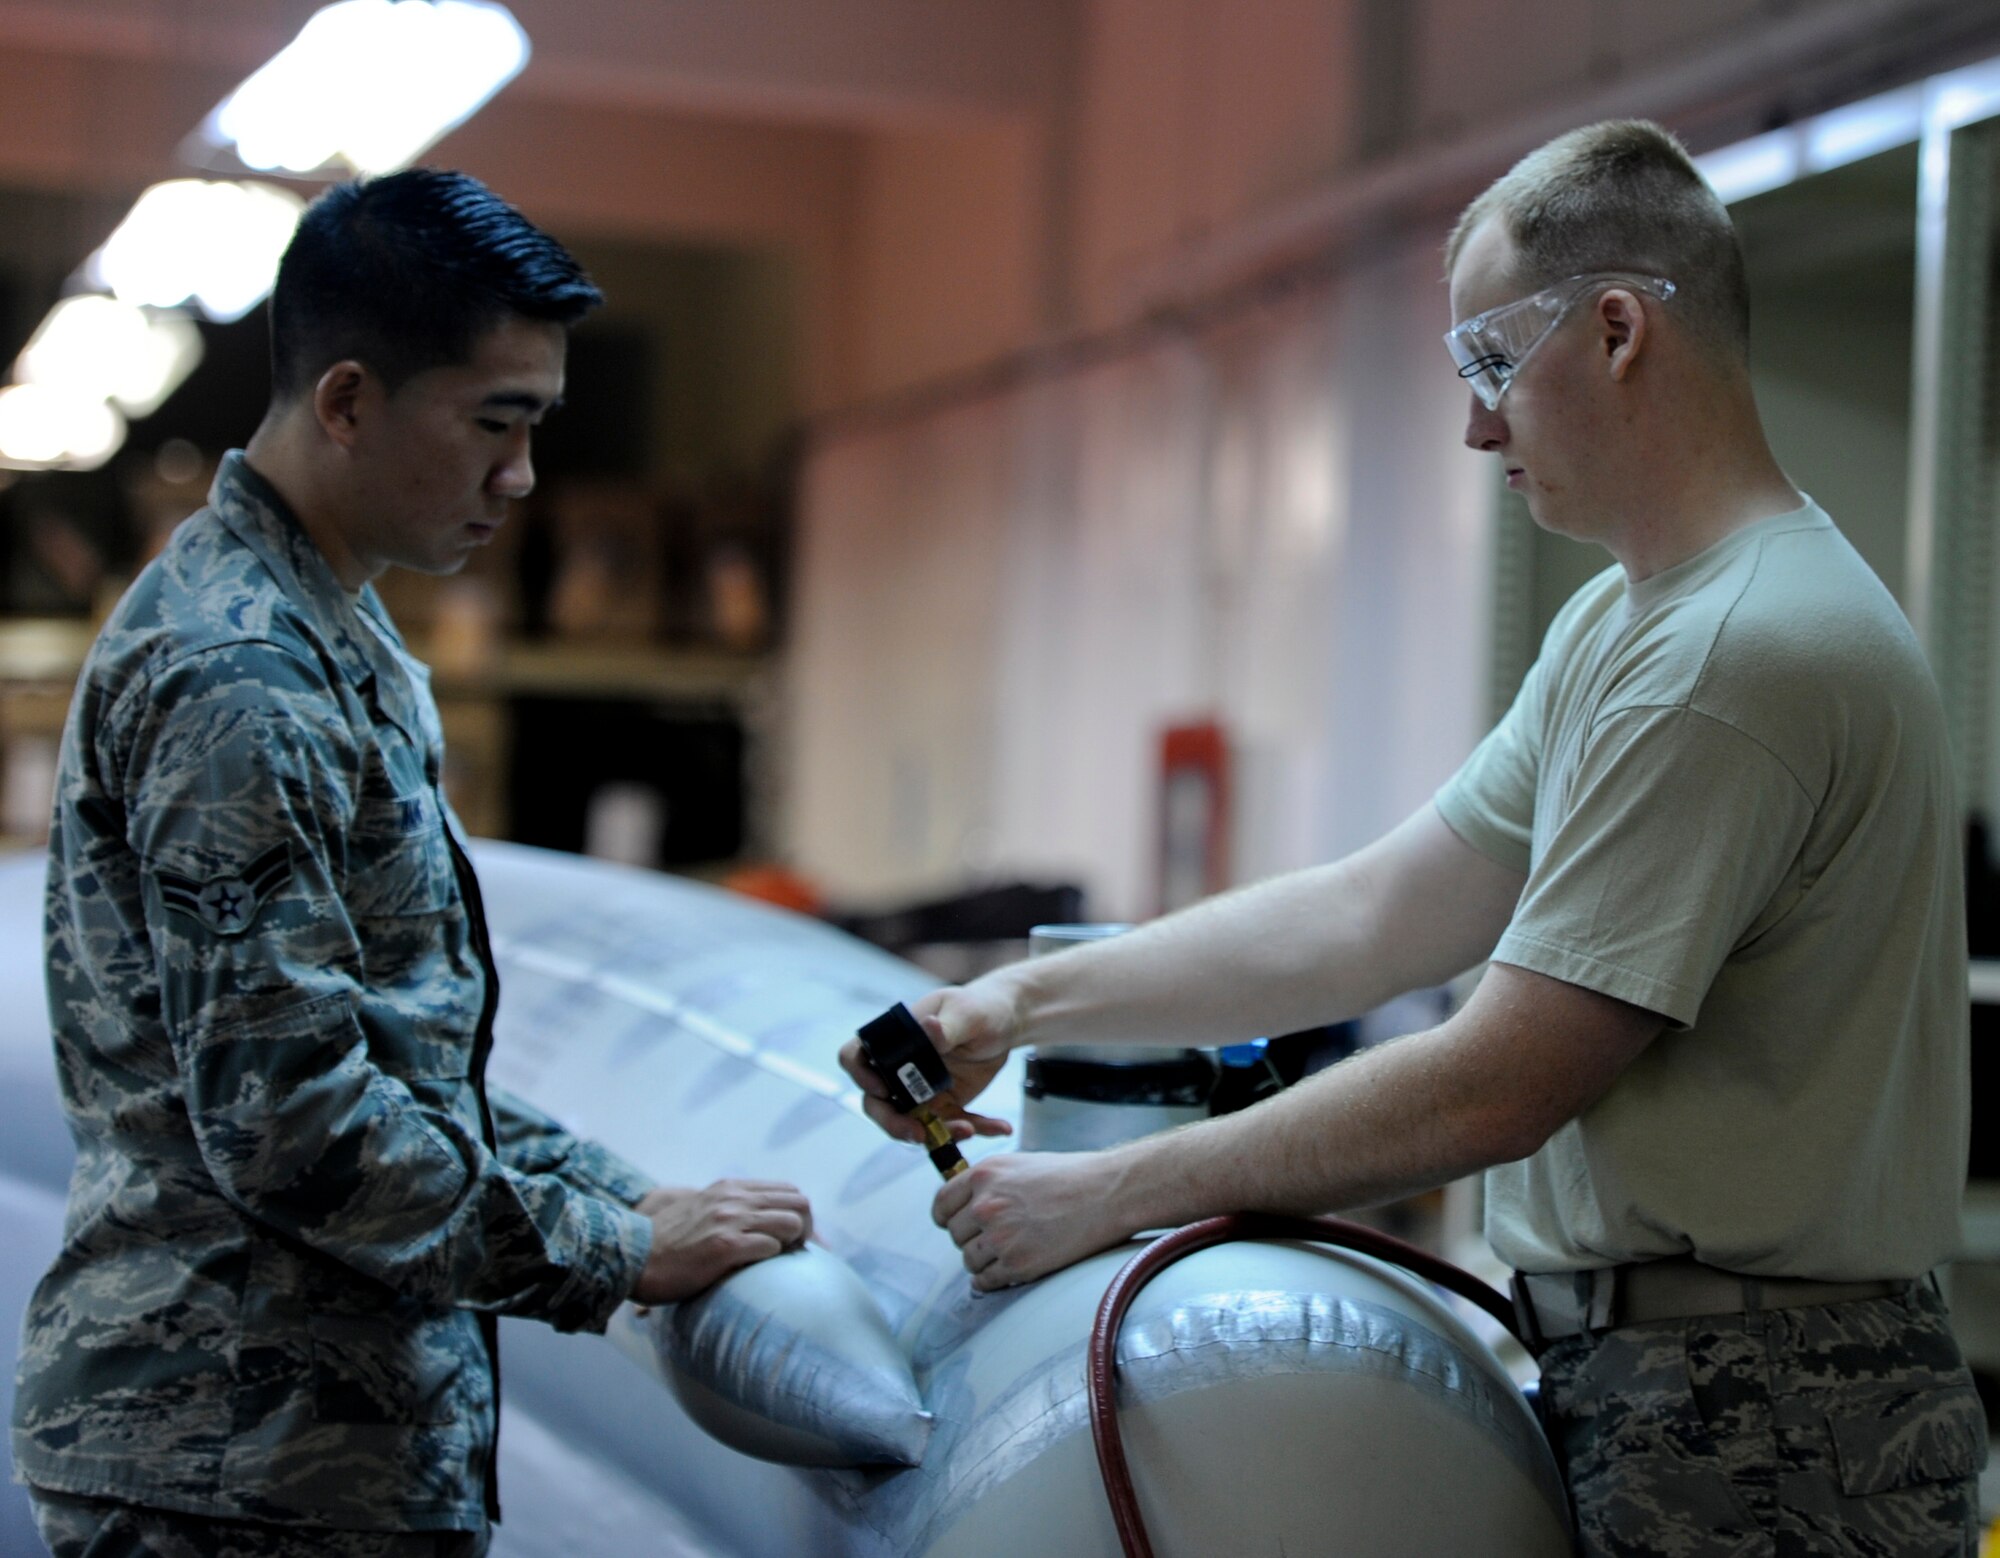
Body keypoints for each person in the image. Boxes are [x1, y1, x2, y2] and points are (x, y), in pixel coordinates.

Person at [842, 120, 1988, 1554]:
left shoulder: (1735, 655)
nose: (1477, 427)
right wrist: (1016, 1001)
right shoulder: (1631, 621)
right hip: (1667, 1374)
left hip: (1763, 1415)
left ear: (1620, 330)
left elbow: (1499, 1084)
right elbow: (1372, 913)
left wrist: (1110, 1192)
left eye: (1492, 365)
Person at [14, 169, 812, 1558]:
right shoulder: (243, 676)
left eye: (538, 427)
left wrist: (625, 1191)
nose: (522, 477)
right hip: (237, 1473)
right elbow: (299, 1126)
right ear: (345, 401)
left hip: (304, 1460)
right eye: (493, 426)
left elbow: (399, 1064)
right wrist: (613, 1250)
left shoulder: (338, 636)